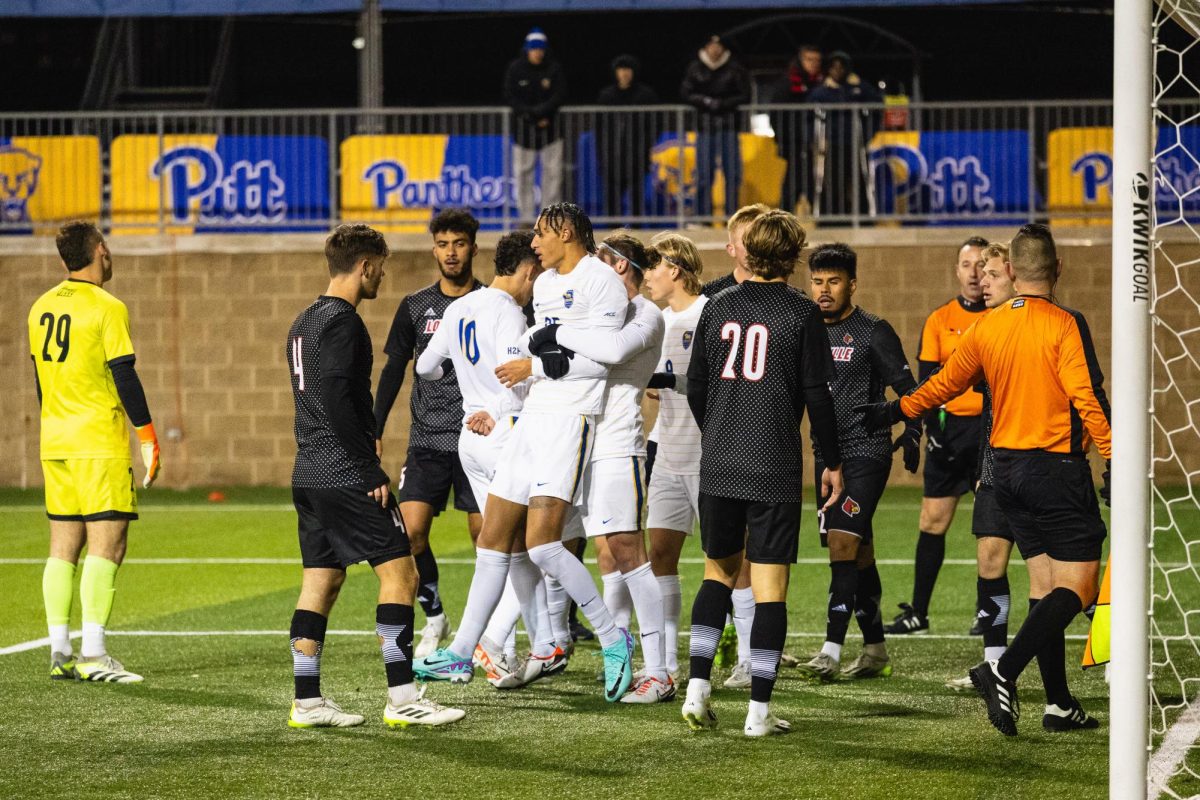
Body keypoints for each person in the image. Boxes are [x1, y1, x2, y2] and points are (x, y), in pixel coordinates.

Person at [859, 223, 1108, 736]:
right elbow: (1086, 398)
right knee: (1080, 588)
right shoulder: (1065, 323)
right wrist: (1116, 457)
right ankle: (1002, 669)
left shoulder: (988, 325)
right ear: (1058, 268)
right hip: (1054, 470)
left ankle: (1059, 705)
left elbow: (945, 384)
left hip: (1004, 474)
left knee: (1044, 587)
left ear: (1013, 271)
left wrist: (896, 410)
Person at [414, 203, 637, 703]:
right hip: (530, 417)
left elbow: (602, 359)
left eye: (541, 234)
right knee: (492, 542)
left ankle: (610, 635)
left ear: (566, 232)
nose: (534, 243)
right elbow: (541, 346)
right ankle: (463, 651)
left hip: (570, 420)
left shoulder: (601, 280)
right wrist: (539, 360)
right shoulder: (548, 284)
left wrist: (540, 361)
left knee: (541, 547)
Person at [285, 224, 463, 729]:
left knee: (321, 579)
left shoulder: (303, 320)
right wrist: (368, 466)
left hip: (309, 471)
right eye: (380, 265)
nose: (382, 274)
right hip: (344, 471)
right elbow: (339, 399)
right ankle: (403, 696)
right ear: (365, 265)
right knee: (400, 571)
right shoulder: (344, 323)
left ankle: (307, 700)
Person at [681, 209, 845, 737]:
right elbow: (818, 396)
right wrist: (831, 461)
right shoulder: (801, 313)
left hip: (721, 460)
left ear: (748, 251)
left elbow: (698, 386)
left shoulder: (718, 305)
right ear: (794, 255)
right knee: (770, 587)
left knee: (717, 574)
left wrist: (721, 431)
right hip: (772, 462)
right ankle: (758, 714)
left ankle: (696, 691)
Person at [412, 230, 545, 689]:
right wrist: (499, 405)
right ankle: (486, 644)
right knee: (521, 548)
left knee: (514, 549)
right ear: (528, 270)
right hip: (505, 435)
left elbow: (425, 367)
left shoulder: (458, 307)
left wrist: (468, 387)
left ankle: (540, 644)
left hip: (469, 439)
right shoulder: (508, 313)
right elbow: (515, 378)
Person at [29, 221, 161, 685]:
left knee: (63, 547)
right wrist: (147, 437)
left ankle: (60, 651)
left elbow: (41, 384)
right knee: (109, 543)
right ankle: (94, 653)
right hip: (97, 444)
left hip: (55, 442)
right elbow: (125, 376)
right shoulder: (107, 307)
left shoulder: (40, 307)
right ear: (100, 251)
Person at [547, 232, 671, 703]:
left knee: (628, 551)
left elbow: (614, 353)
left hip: (619, 444)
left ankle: (659, 670)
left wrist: (555, 332)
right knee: (566, 545)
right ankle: (558, 640)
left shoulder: (647, 314)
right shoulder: (599, 312)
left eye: (600, 258)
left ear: (619, 265)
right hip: (581, 441)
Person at [795, 243, 920, 683]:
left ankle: (830, 650)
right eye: (817, 281)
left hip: (867, 452)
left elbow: (909, 391)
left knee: (841, 544)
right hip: (827, 456)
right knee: (860, 553)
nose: (824, 290)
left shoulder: (873, 331)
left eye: (833, 281)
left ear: (852, 284)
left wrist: (913, 431)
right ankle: (875, 649)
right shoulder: (805, 330)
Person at [373, 209, 485, 660]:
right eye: (443, 244)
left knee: (489, 540)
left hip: (479, 441)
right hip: (427, 442)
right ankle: (435, 615)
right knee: (411, 535)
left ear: (474, 248)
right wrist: (374, 429)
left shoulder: (492, 302)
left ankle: (486, 636)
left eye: (459, 243)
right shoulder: (415, 306)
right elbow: (393, 370)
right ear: (433, 248)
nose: (451, 252)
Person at [885, 237, 988, 636]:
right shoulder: (939, 319)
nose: (975, 272)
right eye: (967, 264)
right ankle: (919, 614)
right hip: (948, 435)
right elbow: (926, 382)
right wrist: (920, 427)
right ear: (957, 270)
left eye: (982, 264)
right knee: (931, 521)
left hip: (988, 433)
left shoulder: (1000, 316)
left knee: (990, 525)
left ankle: (986, 612)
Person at [945, 241, 1024, 690]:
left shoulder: (1050, 322)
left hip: (1041, 466)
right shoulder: (986, 329)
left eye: (991, 273)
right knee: (989, 558)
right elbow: (956, 387)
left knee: (1064, 578)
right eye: (978, 272)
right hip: (995, 467)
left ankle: (1113, 648)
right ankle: (994, 668)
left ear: (1014, 274)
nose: (981, 280)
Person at [641, 233, 706, 679]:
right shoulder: (656, 322)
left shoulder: (707, 316)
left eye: (653, 268)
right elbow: (654, 390)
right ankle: (665, 664)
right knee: (660, 556)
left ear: (676, 271)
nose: (646, 277)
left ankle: (745, 658)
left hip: (708, 454)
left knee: (728, 560)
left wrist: (670, 384)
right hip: (667, 453)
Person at [681, 35, 751, 221]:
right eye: (711, 45)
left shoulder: (734, 68)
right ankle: (703, 217)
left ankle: (732, 217)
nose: (715, 49)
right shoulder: (695, 68)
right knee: (704, 174)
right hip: (705, 128)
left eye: (718, 45)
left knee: (732, 174)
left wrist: (722, 104)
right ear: (706, 47)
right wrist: (706, 102)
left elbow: (745, 94)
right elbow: (686, 93)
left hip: (728, 127)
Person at [504, 27, 567, 225]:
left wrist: (542, 113)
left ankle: (550, 217)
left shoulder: (554, 69)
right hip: (524, 132)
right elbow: (509, 95)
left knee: (553, 175)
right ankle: (526, 217)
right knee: (523, 176)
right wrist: (532, 116)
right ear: (527, 50)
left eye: (541, 49)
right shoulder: (515, 69)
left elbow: (559, 95)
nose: (538, 52)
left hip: (551, 131)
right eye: (534, 49)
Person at [807, 51, 881, 219]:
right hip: (833, 142)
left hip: (855, 142)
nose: (837, 71)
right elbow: (809, 113)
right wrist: (816, 139)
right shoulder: (823, 91)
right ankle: (831, 217)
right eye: (834, 67)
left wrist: (870, 133)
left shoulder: (857, 87)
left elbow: (877, 103)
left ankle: (861, 217)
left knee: (858, 180)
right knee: (832, 181)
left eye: (841, 67)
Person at [596, 55, 659, 222]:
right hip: (612, 153)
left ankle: (637, 229)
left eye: (628, 69)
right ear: (616, 72)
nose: (624, 73)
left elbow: (655, 122)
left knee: (637, 193)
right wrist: (604, 149)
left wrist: (647, 143)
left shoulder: (645, 95)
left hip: (637, 152)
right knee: (612, 194)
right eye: (621, 69)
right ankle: (612, 229)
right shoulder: (606, 95)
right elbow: (599, 127)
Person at [771, 44, 824, 213]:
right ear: (801, 60)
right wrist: (782, 137)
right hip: (792, 139)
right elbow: (776, 113)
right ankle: (784, 218)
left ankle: (819, 215)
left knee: (810, 179)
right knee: (794, 179)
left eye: (817, 60)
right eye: (809, 59)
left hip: (813, 140)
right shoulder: (788, 81)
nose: (814, 64)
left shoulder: (821, 83)